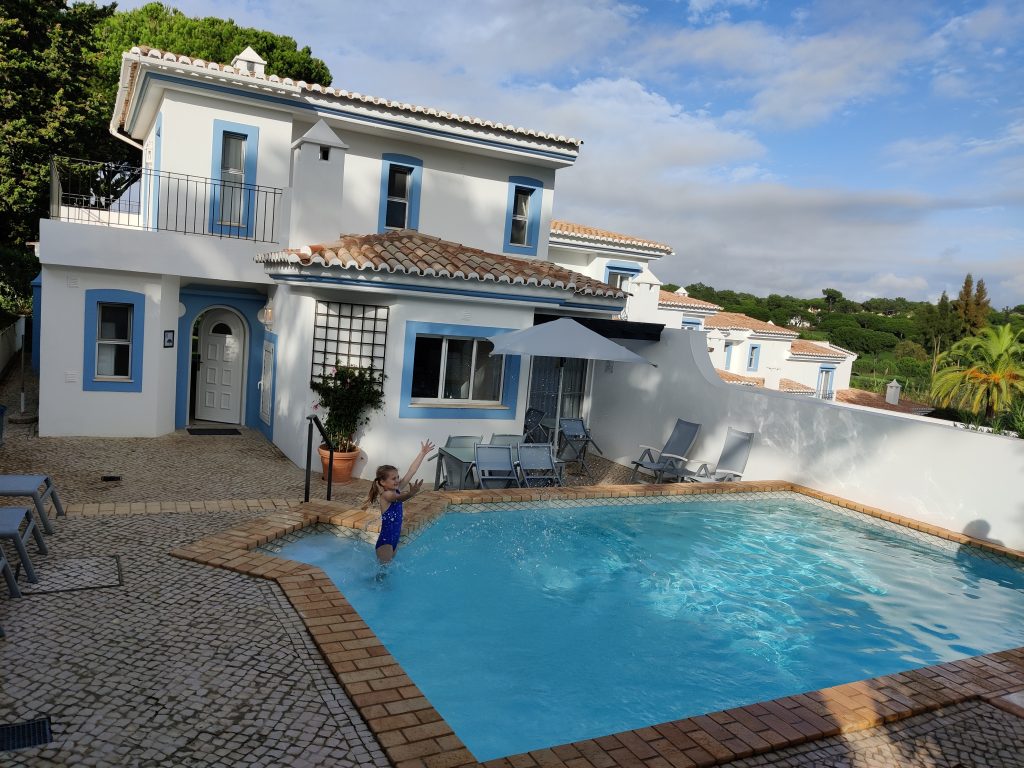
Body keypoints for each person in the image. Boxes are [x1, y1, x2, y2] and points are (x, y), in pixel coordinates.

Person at [366, 440, 435, 564]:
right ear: (382, 482)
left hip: (394, 539)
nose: (397, 480)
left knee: (388, 570)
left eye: (398, 477)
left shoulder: (396, 489)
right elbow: (398, 498)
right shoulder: (386, 495)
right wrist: (410, 494)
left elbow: (411, 471)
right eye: (393, 478)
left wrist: (422, 454)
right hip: (385, 542)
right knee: (382, 573)